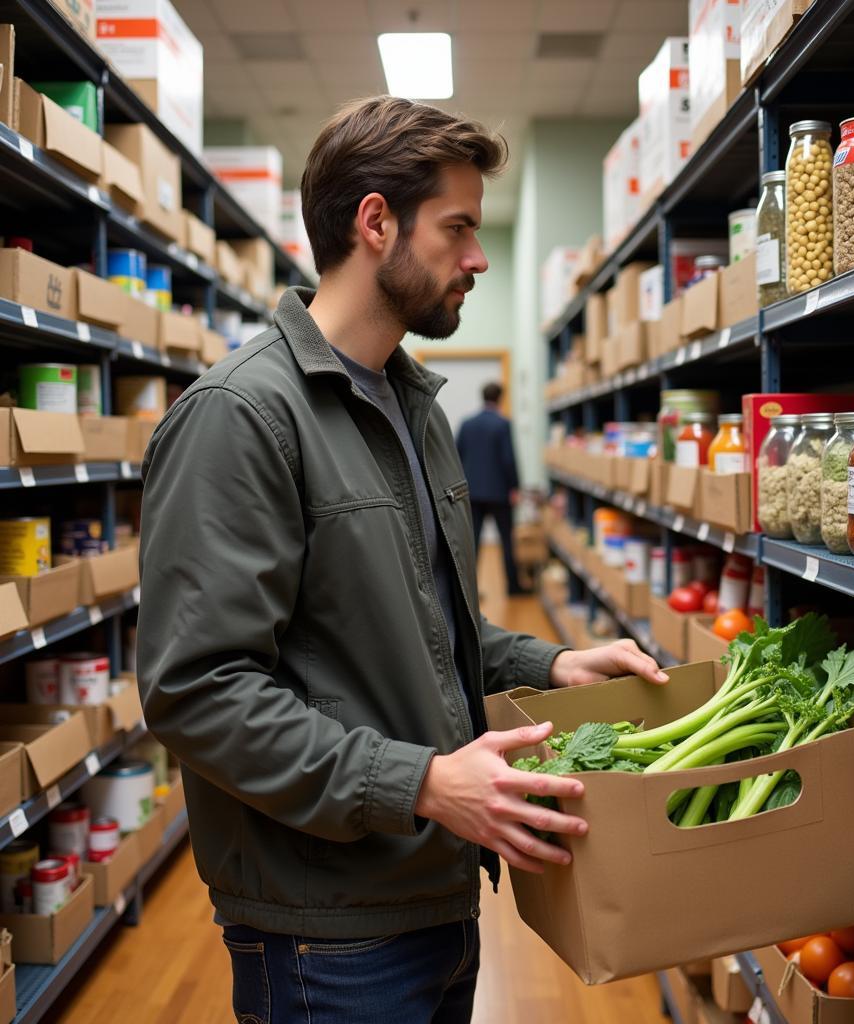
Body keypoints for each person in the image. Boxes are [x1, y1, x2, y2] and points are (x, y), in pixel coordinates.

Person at [136, 95, 668, 1024]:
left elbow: (415, 624)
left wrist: (552, 663)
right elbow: (198, 689)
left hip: (433, 890)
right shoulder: (243, 416)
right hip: (325, 930)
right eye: (457, 227)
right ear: (374, 222)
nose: (478, 257)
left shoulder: (415, 408)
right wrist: (421, 782)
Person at [456, 381, 525, 595]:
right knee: (506, 540)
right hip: (499, 493)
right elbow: (508, 459)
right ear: (500, 398)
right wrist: (515, 487)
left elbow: (456, 456)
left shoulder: (467, 424)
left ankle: (469, 591)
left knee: (472, 543)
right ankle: (513, 587)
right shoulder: (503, 424)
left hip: (472, 492)